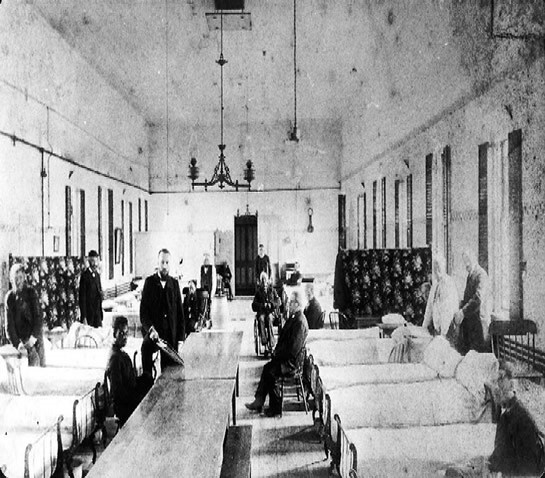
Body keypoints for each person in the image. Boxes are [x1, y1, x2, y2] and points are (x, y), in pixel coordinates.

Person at [446, 360, 545, 477]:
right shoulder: (507, 415)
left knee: (454, 473)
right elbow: (501, 452)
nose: (496, 387)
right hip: (501, 468)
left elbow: (529, 467)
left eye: (501, 380)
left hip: (512, 472)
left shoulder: (521, 417)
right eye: (496, 382)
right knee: (454, 470)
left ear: (512, 385)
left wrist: (496, 472)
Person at [246, 288, 309, 417]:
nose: (288, 305)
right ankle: (259, 400)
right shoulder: (294, 318)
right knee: (267, 367)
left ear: (297, 304)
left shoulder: (300, 322)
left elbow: (292, 350)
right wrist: (276, 353)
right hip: (286, 358)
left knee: (271, 372)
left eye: (291, 302)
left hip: (291, 363)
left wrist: (277, 355)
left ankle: (275, 409)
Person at [140, 249, 185, 377]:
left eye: (167, 262)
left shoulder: (174, 284)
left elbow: (180, 314)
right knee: (145, 349)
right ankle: (147, 382)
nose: (164, 266)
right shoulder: (149, 283)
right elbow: (143, 313)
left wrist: (181, 339)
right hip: (155, 334)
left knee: (171, 372)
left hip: (171, 335)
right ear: (157, 263)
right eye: (162, 262)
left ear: (170, 264)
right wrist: (150, 329)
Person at [107, 316, 153, 427]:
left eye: (126, 333)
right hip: (124, 404)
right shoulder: (115, 358)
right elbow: (118, 391)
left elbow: (130, 380)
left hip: (129, 395)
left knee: (148, 379)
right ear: (114, 334)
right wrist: (137, 394)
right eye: (121, 334)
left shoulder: (121, 354)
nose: (124, 337)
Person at [5, 263, 45, 367]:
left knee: (38, 365)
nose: (18, 281)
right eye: (15, 278)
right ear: (11, 279)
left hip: (35, 337)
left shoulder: (31, 293)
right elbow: (9, 327)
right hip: (20, 340)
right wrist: (18, 344)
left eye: (20, 277)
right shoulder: (9, 298)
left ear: (24, 278)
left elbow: (38, 318)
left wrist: (32, 339)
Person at [453, 250, 491, 355]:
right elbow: (467, 299)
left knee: (477, 358)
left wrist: (462, 312)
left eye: (468, 260)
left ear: (474, 259)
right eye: (464, 261)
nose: (466, 264)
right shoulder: (470, 275)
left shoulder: (481, 275)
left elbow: (478, 298)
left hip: (478, 325)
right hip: (470, 325)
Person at [421, 255, 459, 339]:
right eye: (435, 268)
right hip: (437, 329)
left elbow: (447, 310)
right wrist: (423, 329)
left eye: (439, 267)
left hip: (448, 329)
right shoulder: (435, 286)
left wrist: (443, 334)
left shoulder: (449, 283)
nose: (436, 270)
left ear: (443, 267)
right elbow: (429, 309)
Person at [252, 272, 280, 355]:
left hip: (271, 312)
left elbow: (278, 301)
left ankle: (271, 344)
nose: (264, 282)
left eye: (265, 280)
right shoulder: (258, 292)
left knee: (269, 318)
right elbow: (253, 305)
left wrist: (271, 304)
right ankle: (264, 341)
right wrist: (262, 305)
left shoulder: (272, 290)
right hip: (262, 312)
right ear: (261, 282)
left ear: (268, 281)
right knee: (261, 319)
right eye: (262, 280)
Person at [78, 249, 103, 328]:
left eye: (96, 261)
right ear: (89, 261)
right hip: (89, 316)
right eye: (92, 261)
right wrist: (84, 317)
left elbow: (99, 293)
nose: (95, 264)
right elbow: (82, 298)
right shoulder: (85, 276)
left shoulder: (97, 275)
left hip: (97, 315)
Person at [200, 254, 215, 328]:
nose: (206, 262)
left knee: (209, 307)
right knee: (202, 306)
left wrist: (212, 293)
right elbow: (200, 279)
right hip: (203, 290)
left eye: (207, 261)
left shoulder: (212, 269)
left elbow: (214, 281)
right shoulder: (201, 268)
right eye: (204, 261)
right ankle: (203, 321)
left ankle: (209, 321)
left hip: (209, 289)